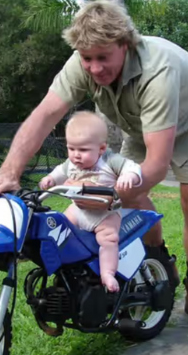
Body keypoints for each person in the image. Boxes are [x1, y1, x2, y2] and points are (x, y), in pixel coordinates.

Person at [0, 0, 188, 331]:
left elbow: (155, 164)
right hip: (143, 122)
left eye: (103, 58)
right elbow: (44, 115)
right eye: (87, 59)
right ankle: (158, 258)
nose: (94, 68)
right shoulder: (81, 62)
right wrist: (9, 171)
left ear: (124, 45)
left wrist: (105, 194)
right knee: (129, 194)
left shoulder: (158, 70)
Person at [38, 110, 142, 293]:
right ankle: (67, 267)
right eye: (71, 149)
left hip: (105, 214)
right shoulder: (71, 164)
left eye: (83, 150)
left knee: (109, 239)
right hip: (77, 211)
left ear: (101, 149)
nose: (76, 155)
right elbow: (59, 172)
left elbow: (132, 166)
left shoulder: (109, 160)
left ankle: (108, 273)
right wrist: (50, 179)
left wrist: (129, 176)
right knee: (58, 229)